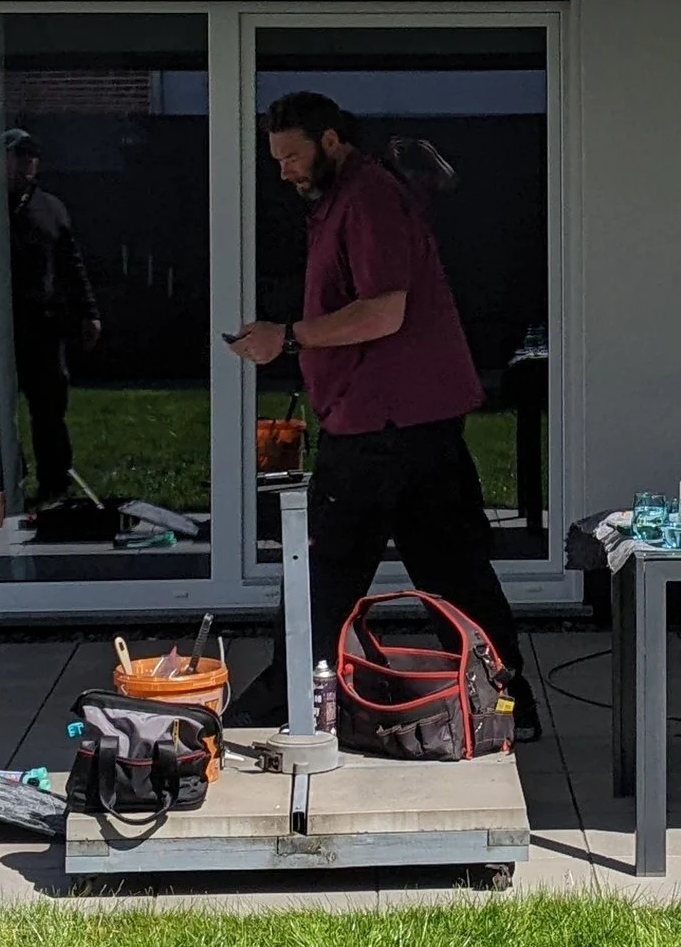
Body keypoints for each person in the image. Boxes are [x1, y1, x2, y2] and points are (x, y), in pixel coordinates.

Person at [227, 91, 537, 737]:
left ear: (332, 140)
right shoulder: (349, 199)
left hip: (383, 428)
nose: (282, 169)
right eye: (275, 157)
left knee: (326, 568)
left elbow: (384, 310)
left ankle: (289, 695)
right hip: (407, 421)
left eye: (291, 155)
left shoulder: (367, 197)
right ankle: (505, 700)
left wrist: (287, 335)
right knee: (454, 571)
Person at [3, 128, 101, 509]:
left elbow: (72, 265)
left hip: (43, 327)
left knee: (49, 411)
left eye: (30, 156)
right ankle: (5, 483)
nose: (25, 163)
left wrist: (89, 312)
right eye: (17, 156)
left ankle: (54, 487)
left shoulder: (51, 209)